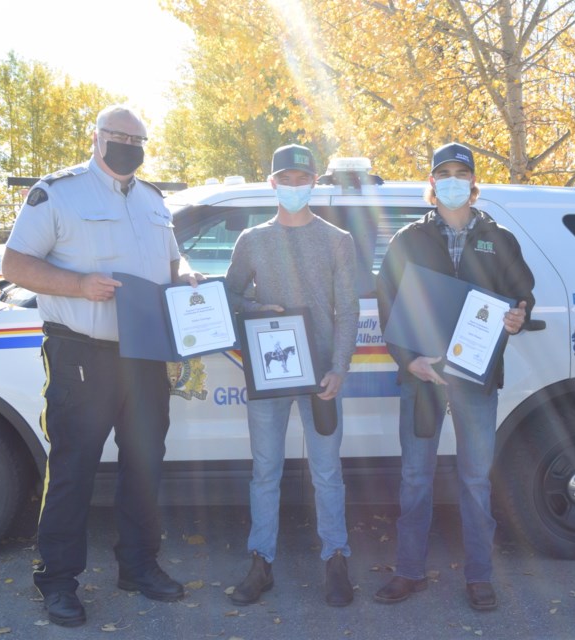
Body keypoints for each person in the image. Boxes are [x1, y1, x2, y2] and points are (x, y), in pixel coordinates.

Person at [2, 105, 195, 627]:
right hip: (82, 354)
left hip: (145, 354)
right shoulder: (58, 192)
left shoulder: (154, 200)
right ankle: (58, 581)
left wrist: (189, 279)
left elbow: (172, 264)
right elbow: (15, 264)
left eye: (139, 137)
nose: (130, 144)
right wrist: (79, 285)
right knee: (73, 468)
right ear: (96, 138)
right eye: (119, 135)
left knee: (144, 465)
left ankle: (138, 565)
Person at [375, 142, 535, 611]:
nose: (451, 180)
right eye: (442, 173)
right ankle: (408, 571)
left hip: (477, 378)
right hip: (421, 377)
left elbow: (520, 295)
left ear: (472, 182)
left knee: (475, 480)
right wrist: (408, 360)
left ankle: (479, 577)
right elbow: (388, 302)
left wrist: (517, 316)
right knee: (415, 477)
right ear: (432, 183)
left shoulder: (499, 238)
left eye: (459, 173)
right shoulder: (409, 239)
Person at [225, 144, 360, 607]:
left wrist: (339, 369)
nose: (295, 186)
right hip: (270, 375)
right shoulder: (253, 240)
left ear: (315, 182)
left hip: (322, 377)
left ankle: (336, 559)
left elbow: (349, 310)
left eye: (303, 179)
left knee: (327, 472)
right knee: (265, 471)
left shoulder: (337, 240)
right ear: (272, 183)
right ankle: (261, 562)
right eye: (286, 178)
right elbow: (230, 295)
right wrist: (254, 309)